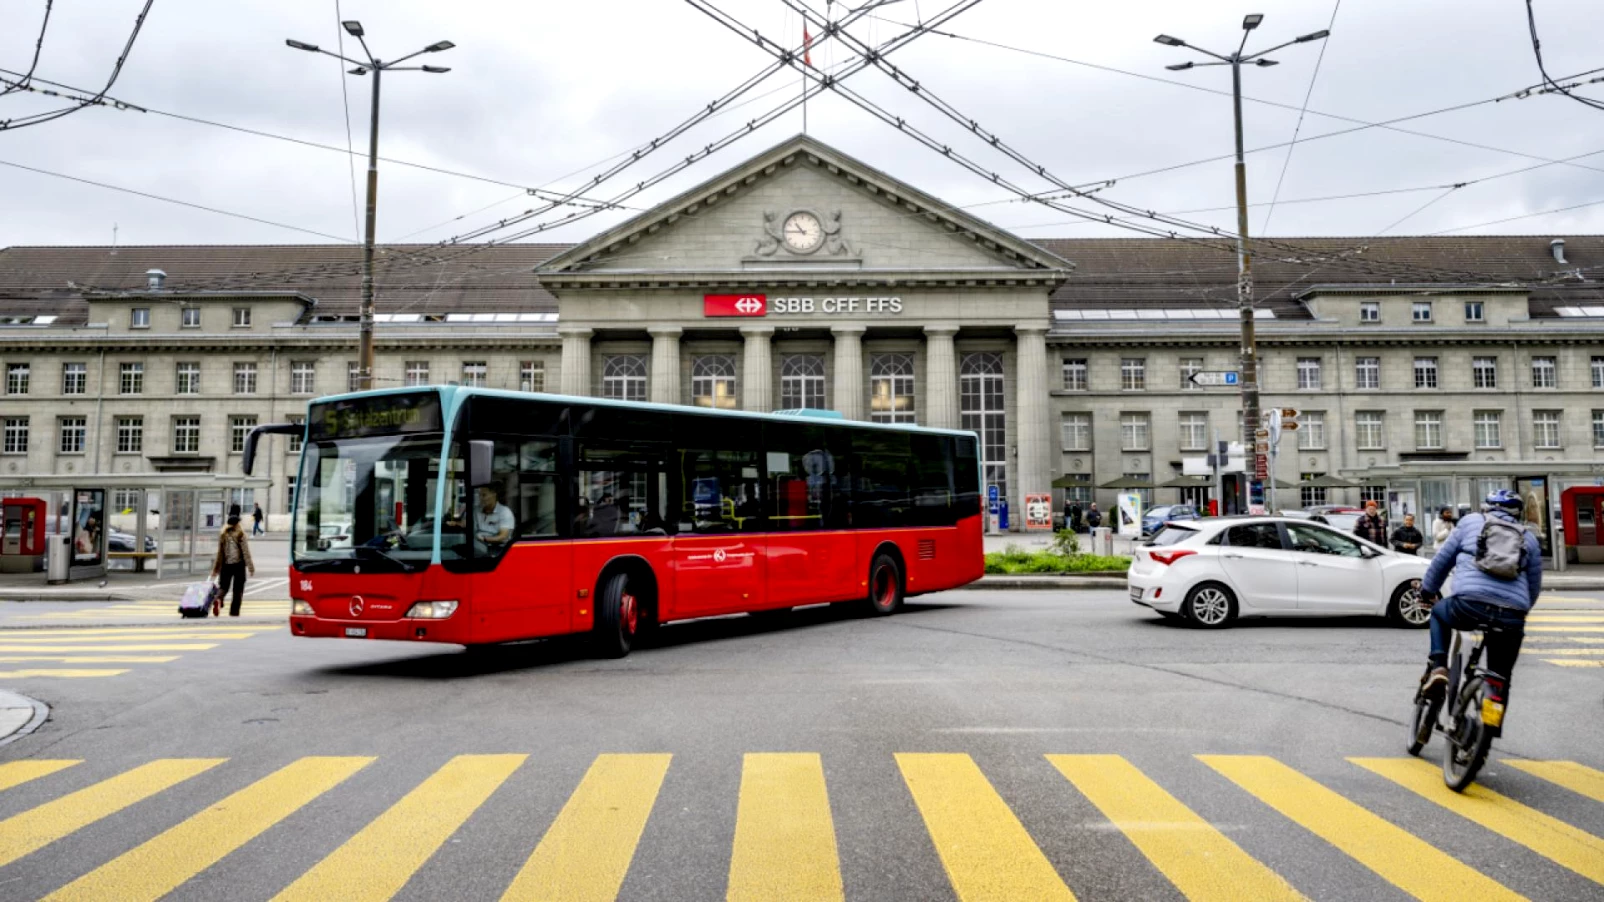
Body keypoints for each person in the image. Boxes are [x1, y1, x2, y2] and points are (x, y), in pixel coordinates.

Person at [1418, 489, 1542, 704]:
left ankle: (1439, 667)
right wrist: (1520, 612)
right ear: (1517, 513)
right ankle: (1490, 724)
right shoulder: (1528, 538)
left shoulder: (1471, 522)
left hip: (1468, 605)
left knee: (1438, 613)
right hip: (1511, 615)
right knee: (1500, 677)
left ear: (1488, 506)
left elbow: (1442, 561)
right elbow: (1533, 586)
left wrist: (1427, 591)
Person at [210, 515, 255, 617]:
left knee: (223, 587)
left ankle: (218, 598)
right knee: (238, 590)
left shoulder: (223, 535)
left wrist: (216, 569)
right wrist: (251, 568)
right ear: (237, 524)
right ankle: (234, 612)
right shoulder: (240, 535)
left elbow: (220, 554)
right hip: (238, 565)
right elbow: (245, 552)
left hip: (226, 565)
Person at [466, 483, 514, 547]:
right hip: (478, 546)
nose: (481, 498)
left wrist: (485, 539)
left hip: (498, 549)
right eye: (479, 495)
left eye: (484, 495)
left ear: (494, 495)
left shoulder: (504, 512)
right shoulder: (477, 510)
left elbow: (503, 536)